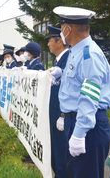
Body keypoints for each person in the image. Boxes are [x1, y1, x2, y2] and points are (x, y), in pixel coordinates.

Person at [54, 6, 110, 178]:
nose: (61, 33)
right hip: (76, 121)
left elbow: (89, 96)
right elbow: (75, 86)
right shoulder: (76, 50)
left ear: (68, 28)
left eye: (61, 28)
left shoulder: (89, 55)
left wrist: (79, 134)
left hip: (88, 126)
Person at [45, 25, 69, 178]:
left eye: (49, 41)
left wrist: (63, 114)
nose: (48, 44)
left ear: (59, 41)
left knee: (62, 160)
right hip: (55, 118)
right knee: (55, 157)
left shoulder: (69, 59)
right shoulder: (58, 62)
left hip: (62, 119)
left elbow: (69, 92)